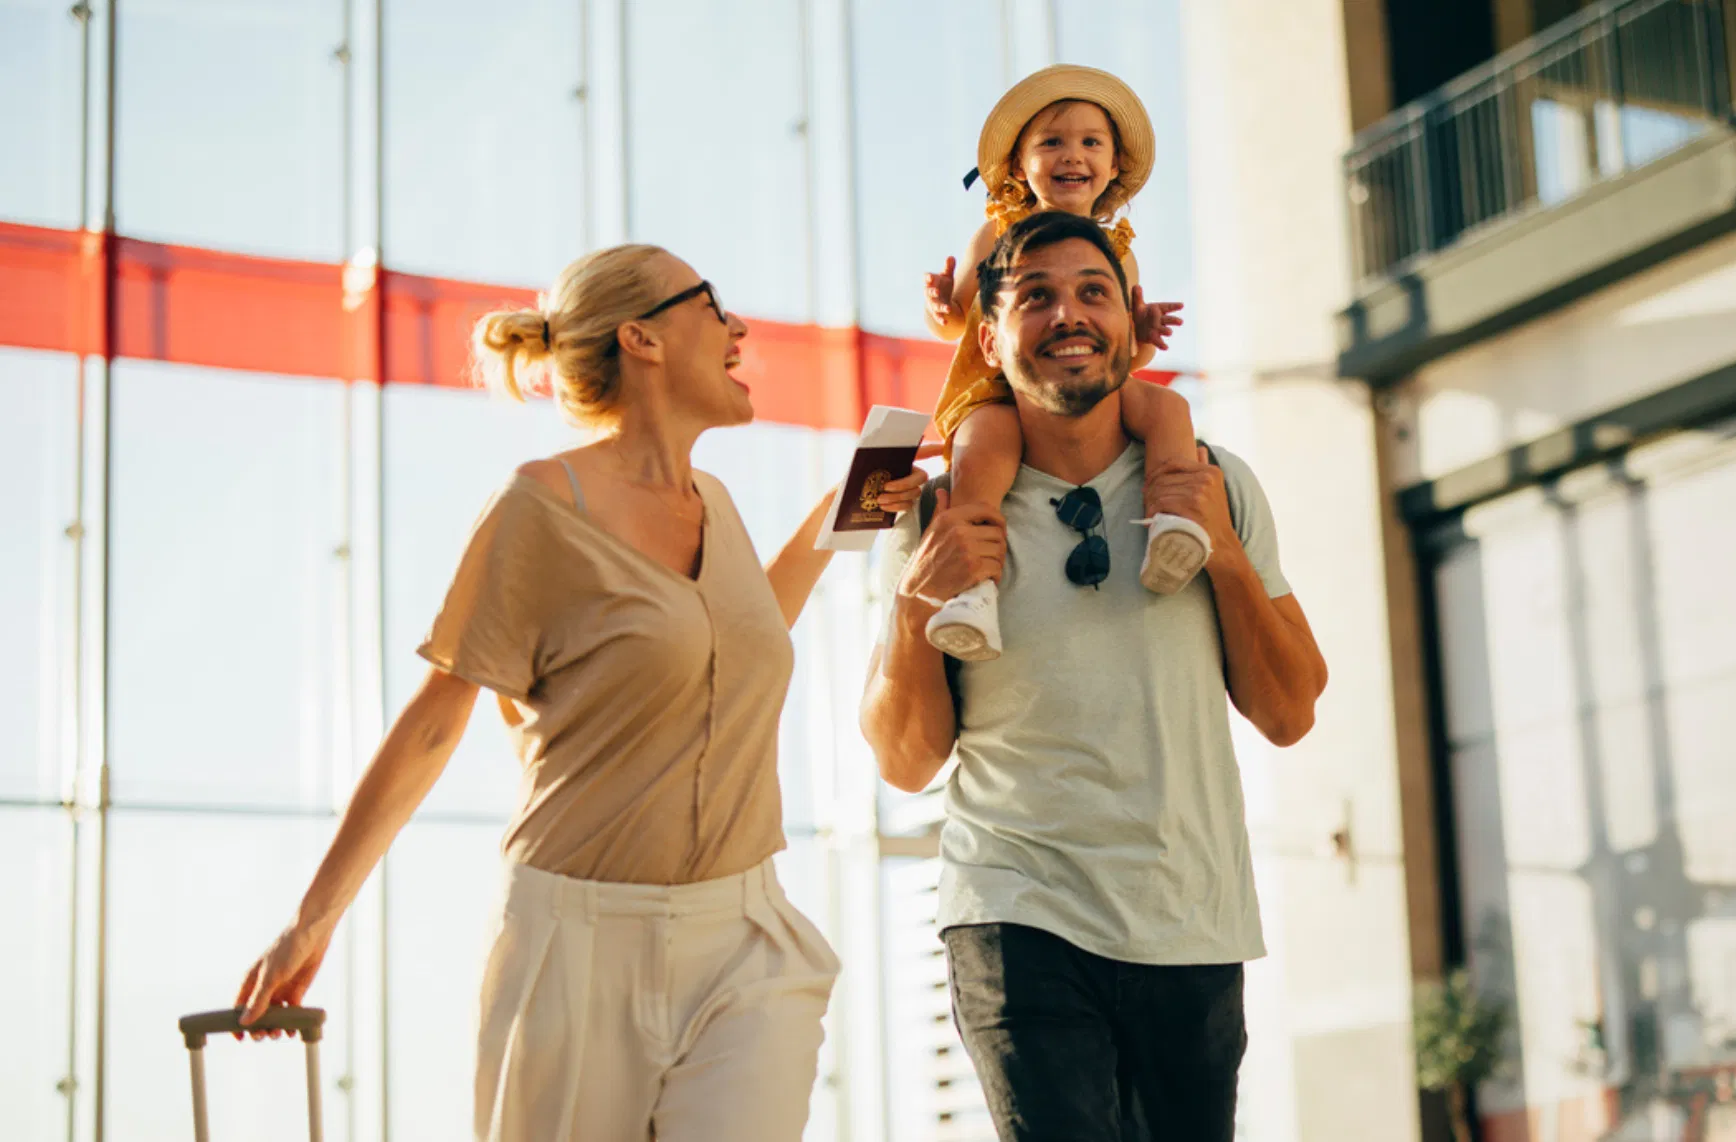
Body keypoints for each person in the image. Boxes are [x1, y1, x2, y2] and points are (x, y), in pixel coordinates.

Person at [232, 243, 928, 1141]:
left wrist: (855, 496)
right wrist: (309, 921)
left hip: (744, 941)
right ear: (641, 337)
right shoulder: (540, 506)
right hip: (575, 948)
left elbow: (743, 633)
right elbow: (435, 726)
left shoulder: (714, 498)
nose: (741, 328)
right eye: (714, 308)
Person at [863, 211, 1329, 1140]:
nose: (1067, 315)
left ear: (1129, 320)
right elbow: (906, 762)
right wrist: (921, 604)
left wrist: (1225, 553)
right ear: (988, 340)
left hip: (1188, 913)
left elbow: (1289, 711)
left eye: (1092, 292)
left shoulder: (1213, 477)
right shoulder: (933, 509)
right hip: (1015, 906)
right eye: (1035, 296)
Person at [918, 64, 1203, 662]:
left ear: (1114, 164)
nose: (1072, 155)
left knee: (1169, 408)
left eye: (1090, 142)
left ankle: (1173, 520)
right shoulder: (996, 233)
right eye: (1052, 142)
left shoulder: (1119, 255)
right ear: (1020, 166)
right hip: (1000, 389)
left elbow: (1119, 352)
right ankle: (973, 590)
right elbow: (962, 325)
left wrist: (1144, 335)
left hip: (1092, 386)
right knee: (980, 458)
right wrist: (942, 307)